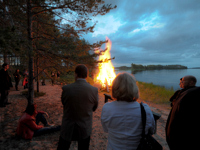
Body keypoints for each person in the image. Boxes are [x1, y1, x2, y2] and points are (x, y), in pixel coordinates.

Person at [101, 72, 155, 150]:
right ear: (134, 88)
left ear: (115, 88)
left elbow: (106, 129)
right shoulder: (144, 109)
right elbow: (151, 130)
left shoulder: (107, 108)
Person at [57, 64, 98, 150]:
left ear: (75, 74)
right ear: (87, 75)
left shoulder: (66, 88)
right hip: (84, 127)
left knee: (62, 147)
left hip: (68, 126)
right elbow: (94, 108)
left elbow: (64, 103)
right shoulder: (94, 90)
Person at [166, 85, 200, 150]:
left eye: (182, 81)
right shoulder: (187, 93)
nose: (180, 83)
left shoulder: (188, 94)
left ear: (191, 82)